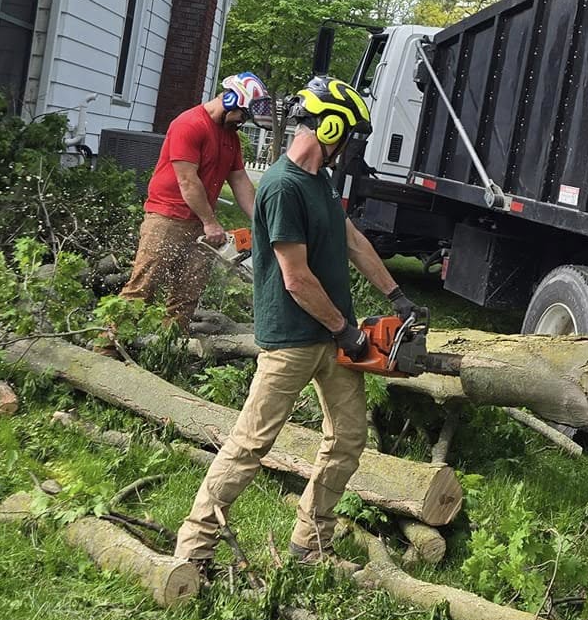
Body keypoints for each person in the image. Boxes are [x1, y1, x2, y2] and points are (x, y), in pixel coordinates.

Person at [172, 74, 418, 575]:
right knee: (250, 445)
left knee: (348, 438)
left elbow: (352, 241)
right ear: (331, 129)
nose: (349, 151)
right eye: (348, 139)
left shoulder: (320, 182)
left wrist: (398, 295)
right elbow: (296, 279)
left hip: (334, 338)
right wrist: (344, 330)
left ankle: (311, 544)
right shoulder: (283, 187)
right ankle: (194, 550)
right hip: (293, 339)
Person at [120, 73, 271, 331]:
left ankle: (169, 347)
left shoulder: (231, 137)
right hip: (167, 218)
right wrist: (210, 223)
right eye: (242, 116)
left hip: (200, 222)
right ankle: (107, 347)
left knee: (187, 294)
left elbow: (240, 181)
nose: (242, 122)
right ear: (231, 100)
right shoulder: (189, 124)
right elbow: (187, 181)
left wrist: (262, 221)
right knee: (143, 286)